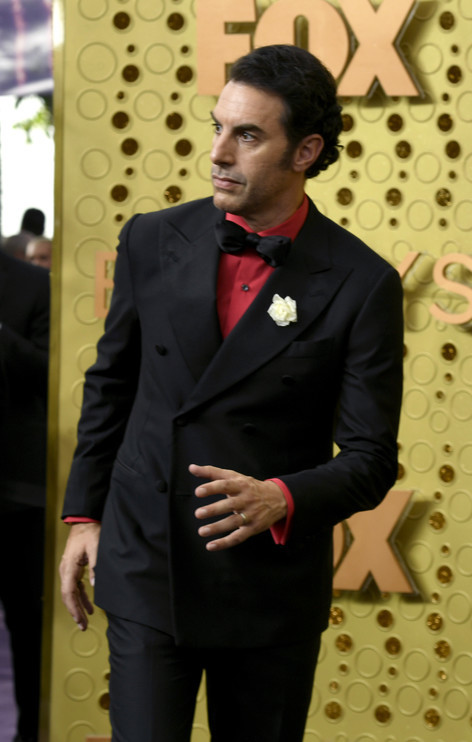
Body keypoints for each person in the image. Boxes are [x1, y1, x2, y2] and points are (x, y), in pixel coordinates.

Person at [57, 45, 403, 742]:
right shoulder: (151, 238)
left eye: (247, 136)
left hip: (268, 590)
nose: (217, 152)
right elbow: (111, 385)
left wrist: (282, 497)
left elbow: (370, 460)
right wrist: (84, 517)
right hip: (147, 561)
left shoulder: (362, 282)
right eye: (217, 127)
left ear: (305, 151)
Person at [0, 249, 49, 742]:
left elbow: (52, 376)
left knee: (29, 626)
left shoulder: (34, 285)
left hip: (17, 493)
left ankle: (31, 733)